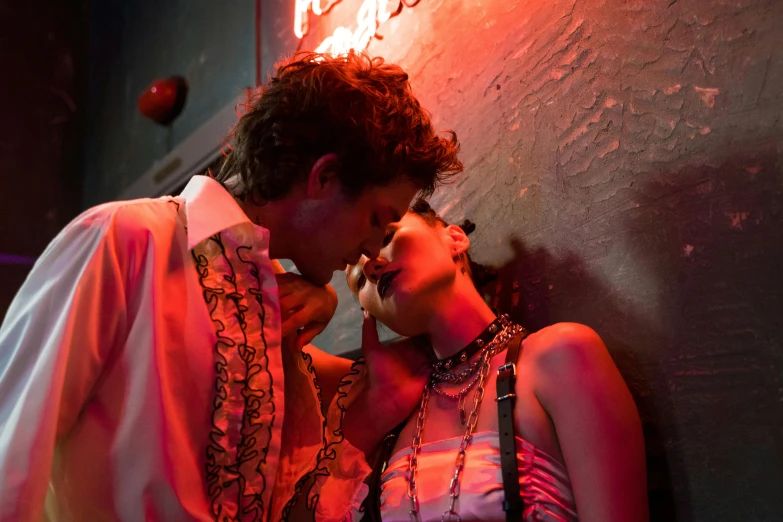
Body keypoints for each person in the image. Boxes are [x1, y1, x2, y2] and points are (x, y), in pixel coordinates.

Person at [0, 51, 462, 522]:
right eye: (375, 220)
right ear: (324, 177)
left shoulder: (276, 304)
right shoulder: (126, 237)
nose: (370, 249)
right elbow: (10, 452)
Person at [345, 200, 649, 522]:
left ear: (455, 239)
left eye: (386, 238)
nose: (370, 267)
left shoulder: (559, 356)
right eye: (359, 282)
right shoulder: (395, 414)